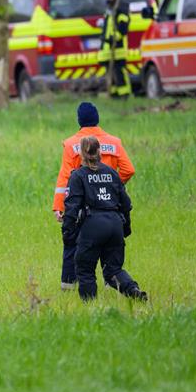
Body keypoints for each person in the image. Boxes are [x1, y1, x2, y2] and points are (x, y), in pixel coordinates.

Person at [53, 102, 135, 291]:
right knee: (109, 251)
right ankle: (112, 284)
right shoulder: (114, 142)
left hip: (84, 208)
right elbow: (128, 170)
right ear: (98, 119)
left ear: (79, 121)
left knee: (75, 246)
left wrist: (60, 207)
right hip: (111, 208)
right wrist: (112, 187)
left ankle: (69, 286)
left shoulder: (71, 143)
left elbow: (65, 178)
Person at [63, 136, 147, 302]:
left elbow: (72, 208)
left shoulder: (78, 176)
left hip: (92, 225)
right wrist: (126, 228)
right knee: (113, 270)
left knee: (85, 268)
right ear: (99, 151)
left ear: (82, 153)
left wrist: (68, 233)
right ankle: (134, 291)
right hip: (115, 224)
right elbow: (126, 203)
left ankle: (90, 306)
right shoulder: (112, 173)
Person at [99, 0, 132, 99]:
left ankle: (124, 95)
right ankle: (114, 94)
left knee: (119, 71)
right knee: (111, 72)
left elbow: (123, 27)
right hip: (108, 47)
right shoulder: (109, 5)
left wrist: (114, 38)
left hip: (118, 47)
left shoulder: (121, 6)